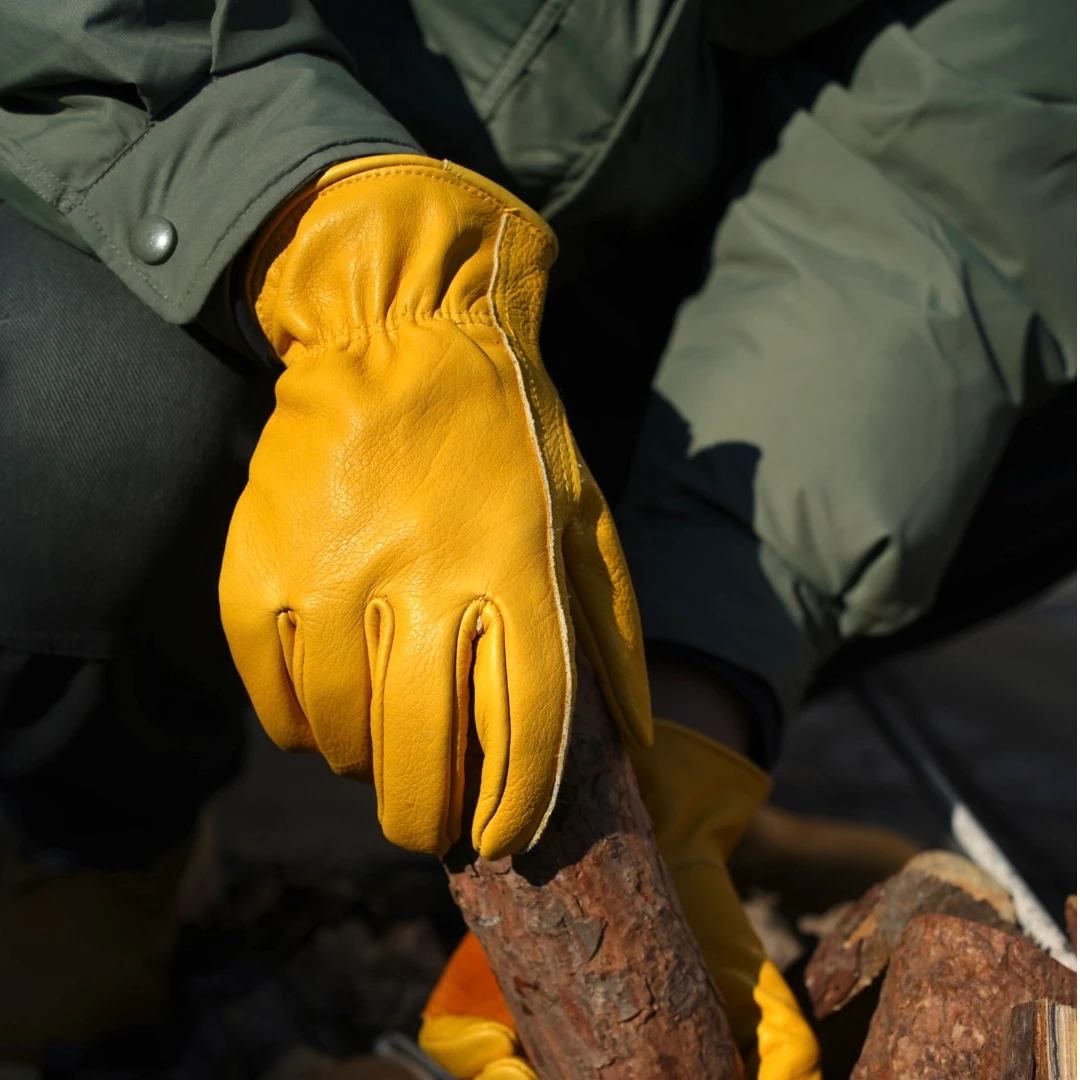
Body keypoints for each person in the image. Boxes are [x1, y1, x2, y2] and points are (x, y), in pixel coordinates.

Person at [0, 0, 1075, 1074]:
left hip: (610, 259)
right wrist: (350, 269)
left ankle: (643, 752)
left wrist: (691, 714)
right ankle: (87, 820)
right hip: (173, 164)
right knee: (92, 406)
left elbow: (942, 199)